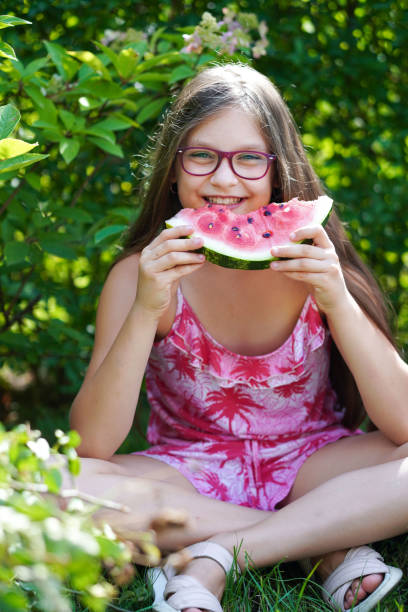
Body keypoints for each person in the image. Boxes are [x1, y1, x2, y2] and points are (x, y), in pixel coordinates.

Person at [69, 63, 408, 612]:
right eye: (202, 155)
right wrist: (145, 309)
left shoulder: (315, 263)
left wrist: (336, 298)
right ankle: (323, 545)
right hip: (188, 472)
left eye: (249, 158)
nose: (224, 180)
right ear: (174, 169)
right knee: (50, 483)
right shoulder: (138, 275)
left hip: (314, 466)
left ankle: (216, 553)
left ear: (279, 171)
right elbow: (93, 445)